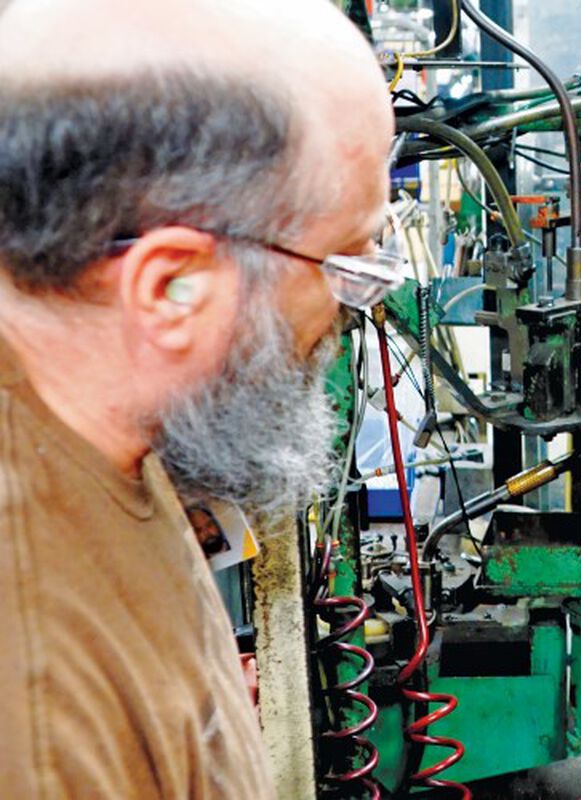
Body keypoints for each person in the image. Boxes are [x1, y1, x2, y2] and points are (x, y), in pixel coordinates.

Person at [0, 0, 395, 796]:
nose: (347, 319)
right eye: (348, 268)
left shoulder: (103, 423)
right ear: (171, 287)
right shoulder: (40, 711)